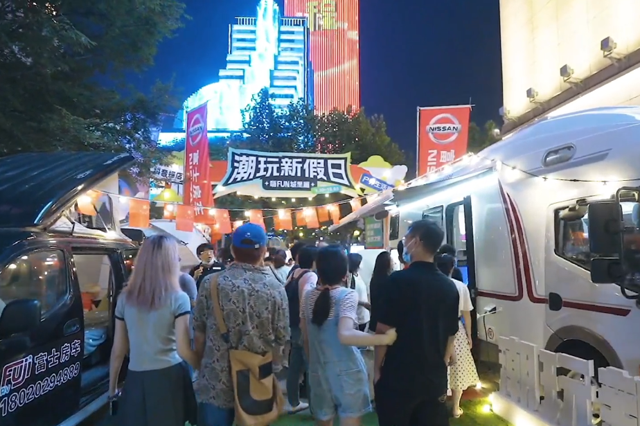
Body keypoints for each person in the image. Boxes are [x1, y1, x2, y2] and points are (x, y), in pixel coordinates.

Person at [193, 223, 290, 426]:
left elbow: (199, 334)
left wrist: (202, 366)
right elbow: (281, 339)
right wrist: (274, 368)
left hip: (215, 379)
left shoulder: (211, 283)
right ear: (264, 250)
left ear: (232, 249)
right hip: (256, 379)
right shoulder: (275, 289)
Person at [374, 220, 460, 426]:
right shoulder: (449, 286)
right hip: (434, 378)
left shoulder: (397, 281)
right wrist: (440, 368)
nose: (404, 242)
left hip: (399, 376)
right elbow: (451, 334)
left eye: (406, 238)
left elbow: (383, 330)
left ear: (416, 241)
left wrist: (376, 369)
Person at [301, 245, 397, 426]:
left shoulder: (307, 297)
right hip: (348, 372)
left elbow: (306, 338)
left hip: (318, 370)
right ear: (344, 273)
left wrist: (313, 364)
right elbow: (345, 334)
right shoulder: (346, 295)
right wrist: (384, 339)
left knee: (323, 420)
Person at [108, 235, 199, 426]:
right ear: (169, 262)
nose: (179, 260)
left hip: (135, 377)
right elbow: (183, 349)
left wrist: (112, 389)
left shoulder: (124, 298)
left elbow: (118, 350)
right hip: (169, 377)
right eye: (176, 256)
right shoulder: (178, 298)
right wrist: (203, 369)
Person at [436, 253, 478, 418]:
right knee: (458, 369)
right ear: (452, 267)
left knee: (439, 367)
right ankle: (455, 407)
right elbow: (467, 314)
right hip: (457, 329)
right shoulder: (460, 286)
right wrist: (469, 335)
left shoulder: (434, 285)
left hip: (436, 330)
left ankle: (438, 406)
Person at [284, 245, 319, 413]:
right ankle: (315, 407)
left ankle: (293, 402)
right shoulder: (310, 275)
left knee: (295, 365)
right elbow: (306, 297)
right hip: (303, 325)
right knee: (311, 366)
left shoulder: (294, 273)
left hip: (292, 324)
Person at [368, 251, 392, 334]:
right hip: (385, 324)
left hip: (374, 322)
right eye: (391, 260)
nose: (394, 263)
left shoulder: (374, 279)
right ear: (387, 263)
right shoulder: (389, 281)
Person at [347, 253, 370, 332]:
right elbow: (350, 297)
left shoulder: (358, 275)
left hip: (364, 315)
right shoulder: (350, 278)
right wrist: (363, 303)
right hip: (357, 317)